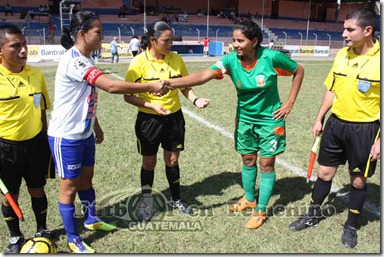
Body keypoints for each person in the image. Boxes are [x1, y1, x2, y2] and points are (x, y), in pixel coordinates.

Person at [48, 11, 168, 253]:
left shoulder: (86, 58)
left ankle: (91, 220)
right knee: (69, 187)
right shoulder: (75, 60)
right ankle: (73, 237)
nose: (102, 37)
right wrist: (150, 86)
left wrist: (96, 124)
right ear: (82, 34)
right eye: (98, 33)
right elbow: (111, 86)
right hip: (66, 137)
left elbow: (85, 97)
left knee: (87, 180)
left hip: (84, 134)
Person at [166, 20, 304, 230]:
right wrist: (171, 83)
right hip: (244, 119)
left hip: (270, 121)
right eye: (234, 40)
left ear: (254, 41)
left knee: (266, 164)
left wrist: (290, 102)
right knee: (248, 159)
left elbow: (299, 71)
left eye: (240, 41)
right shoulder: (230, 60)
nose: (235, 45)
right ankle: (249, 199)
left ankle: (261, 210)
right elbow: (204, 75)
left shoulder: (271, 57)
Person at [289, 8, 380, 249]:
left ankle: (351, 225)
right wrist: (319, 118)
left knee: (358, 181)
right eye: (344, 28)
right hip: (335, 125)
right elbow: (332, 89)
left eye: (350, 29)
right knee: (324, 174)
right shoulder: (341, 55)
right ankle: (312, 214)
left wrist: (380, 140)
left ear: (367, 30)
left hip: (365, 129)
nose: (344, 34)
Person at [123, 21, 211, 222]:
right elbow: (127, 95)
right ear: (153, 41)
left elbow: (185, 86)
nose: (170, 44)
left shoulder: (176, 59)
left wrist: (195, 99)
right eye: (166, 40)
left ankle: (176, 199)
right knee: (149, 163)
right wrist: (152, 105)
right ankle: (147, 202)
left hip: (174, 118)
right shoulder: (138, 63)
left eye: (171, 39)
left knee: (172, 160)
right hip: (149, 120)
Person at [0, 24, 52, 253]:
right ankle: (15, 237)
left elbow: (42, 111)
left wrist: (45, 141)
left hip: (36, 144)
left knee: (37, 189)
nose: (23, 50)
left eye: (24, 44)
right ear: (1, 50)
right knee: (9, 196)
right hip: (5, 148)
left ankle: (42, 230)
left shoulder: (37, 75)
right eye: (15, 46)